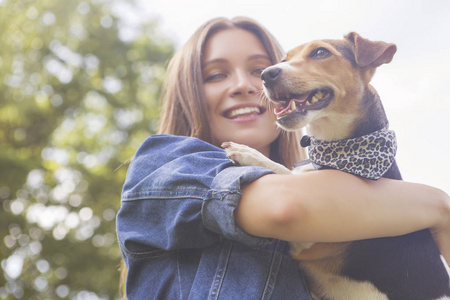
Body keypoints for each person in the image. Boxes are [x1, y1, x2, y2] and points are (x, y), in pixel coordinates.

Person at [116, 16, 450, 299]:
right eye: (216, 74)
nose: (250, 84)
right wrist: (436, 205)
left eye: (261, 68)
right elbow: (287, 208)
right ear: (188, 92)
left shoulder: (320, 176)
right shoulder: (164, 165)